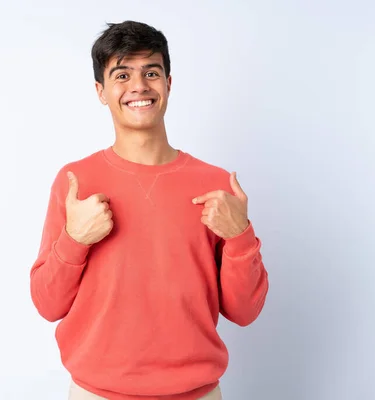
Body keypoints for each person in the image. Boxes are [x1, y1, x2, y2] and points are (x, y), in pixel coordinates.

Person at [30, 20, 269, 400]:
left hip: (197, 394)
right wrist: (74, 240)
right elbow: (47, 304)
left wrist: (240, 238)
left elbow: (244, 312)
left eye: (151, 72)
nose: (139, 85)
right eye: (122, 74)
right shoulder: (76, 182)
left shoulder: (218, 186)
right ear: (101, 92)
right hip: (97, 394)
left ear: (168, 84)